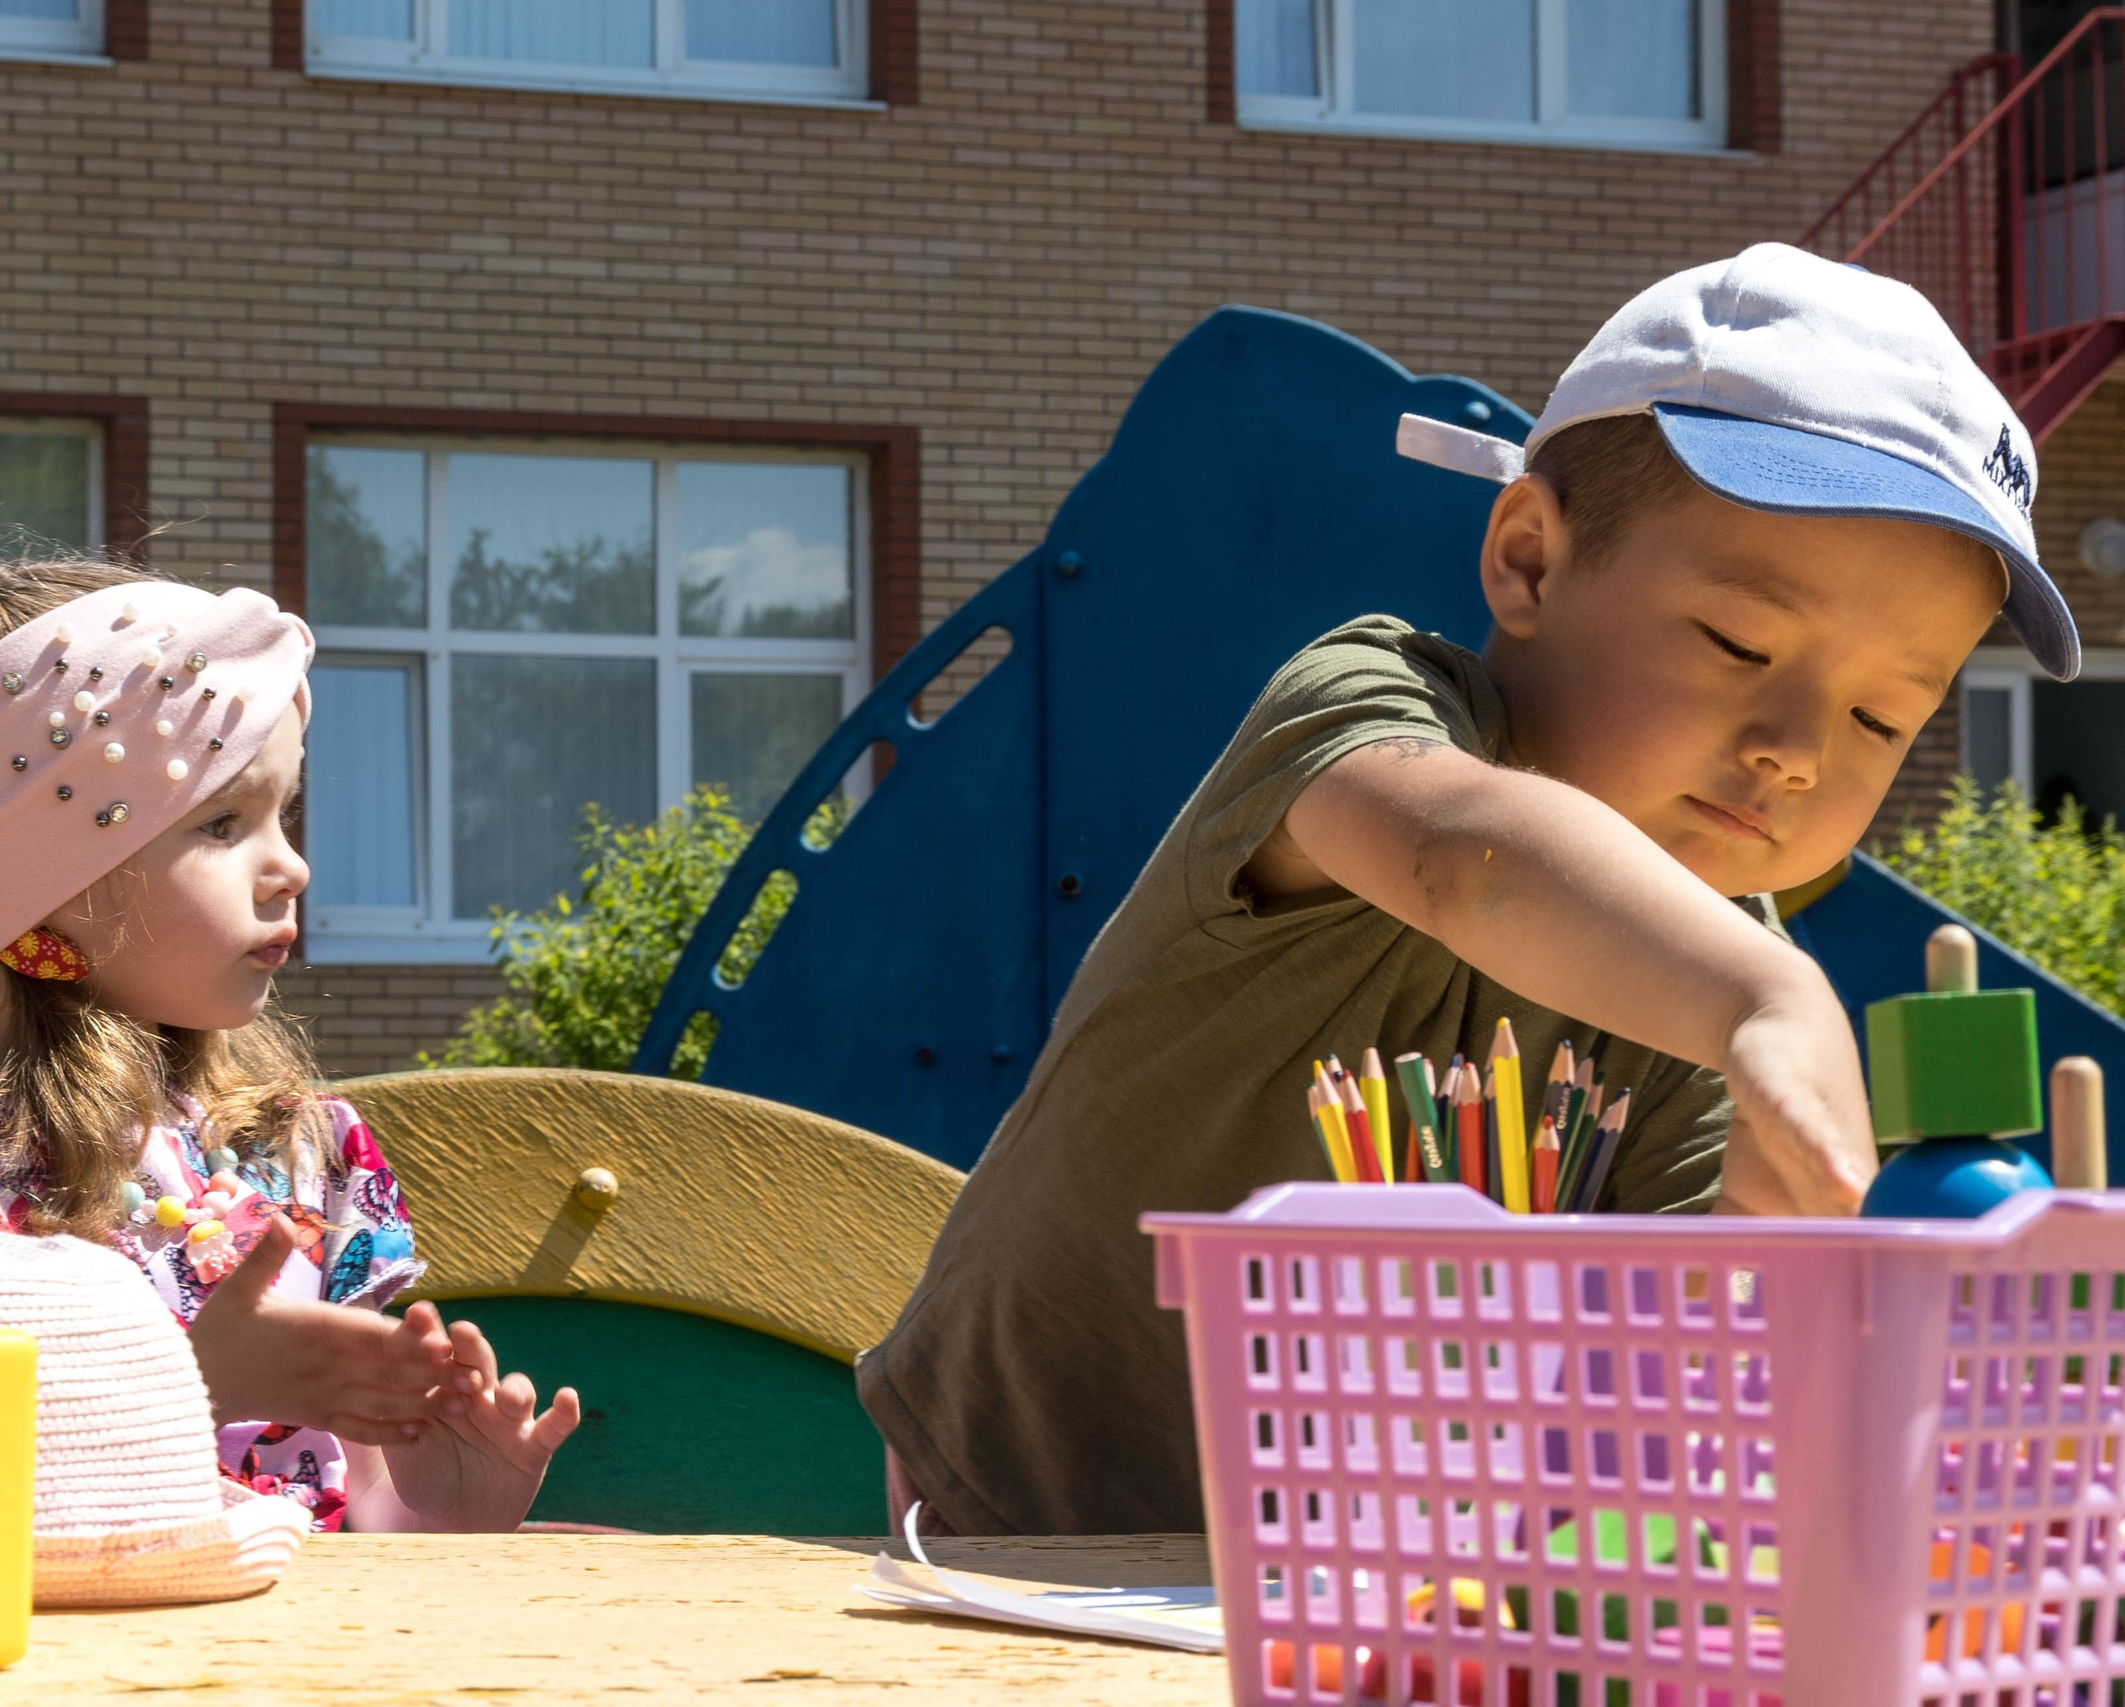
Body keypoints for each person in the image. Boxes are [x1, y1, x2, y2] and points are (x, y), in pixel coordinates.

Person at [856, 242, 2081, 1535]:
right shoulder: (1368, 708)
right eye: (1740, 640)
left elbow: (1665, 1390)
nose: (1799, 745)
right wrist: (1770, 994)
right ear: (1532, 560)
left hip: (1384, 1581)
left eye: (1884, 716)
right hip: (1020, 1506)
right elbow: (1466, 859)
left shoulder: (1722, 1015)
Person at [0, 558, 579, 1534]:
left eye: (281, 812)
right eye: (224, 822)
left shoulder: (302, 1152)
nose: (291, 866)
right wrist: (193, 1384)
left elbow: (350, 1499)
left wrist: (441, 1512)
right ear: (36, 885)